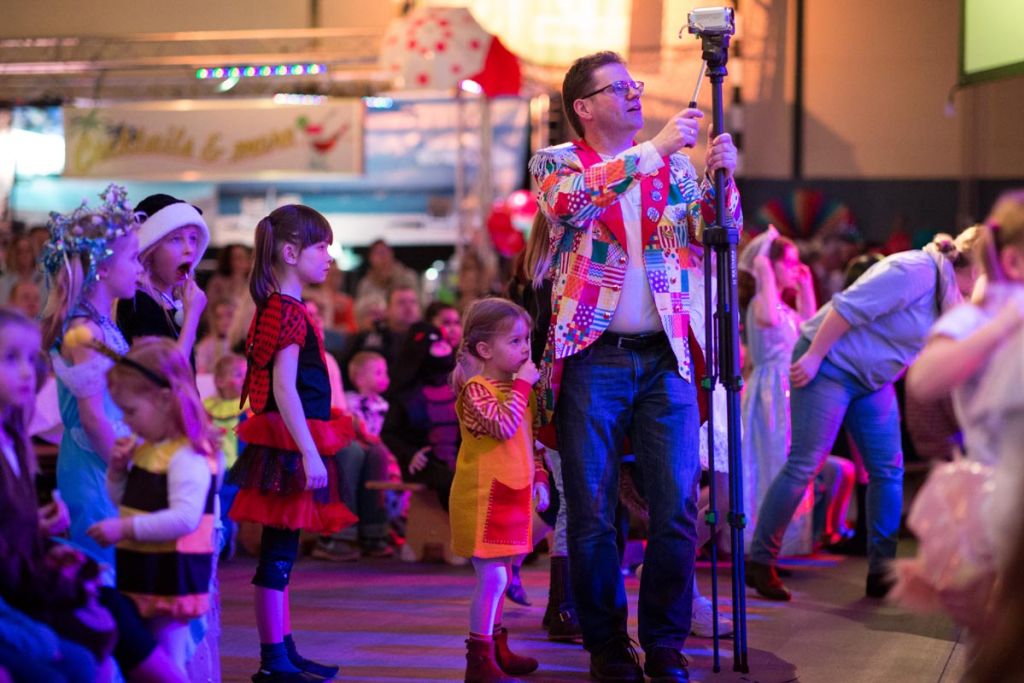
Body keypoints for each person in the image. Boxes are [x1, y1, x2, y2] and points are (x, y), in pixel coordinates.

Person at [529, 51, 740, 683]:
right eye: (618, 87)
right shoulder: (557, 163)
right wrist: (655, 150)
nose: (633, 93)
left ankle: (666, 643)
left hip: (665, 356)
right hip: (591, 356)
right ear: (584, 107)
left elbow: (714, 232)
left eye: (634, 84)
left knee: (677, 507)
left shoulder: (673, 167)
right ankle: (607, 646)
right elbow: (567, 205)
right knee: (593, 511)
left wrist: (723, 180)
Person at [746, 228, 981, 602]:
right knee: (806, 462)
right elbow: (847, 306)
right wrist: (814, 356)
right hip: (830, 363)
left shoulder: (953, 296)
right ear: (977, 267)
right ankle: (760, 559)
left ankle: (881, 571)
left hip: (872, 380)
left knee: (888, 469)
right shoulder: (915, 270)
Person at [225, 204, 356, 683]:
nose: (328, 256)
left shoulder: (280, 306)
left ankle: (283, 650)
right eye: (321, 246)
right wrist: (309, 451)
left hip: (285, 438)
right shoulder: (285, 310)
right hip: (287, 442)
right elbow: (284, 387)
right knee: (277, 555)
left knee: (282, 552)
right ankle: (272, 659)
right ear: (289, 252)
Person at [900, 191, 1024, 628]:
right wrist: (1005, 324)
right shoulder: (976, 319)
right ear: (1013, 261)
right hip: (1005, 508)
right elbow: (924, 380)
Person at [86, 338, 219, 675]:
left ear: (163, 400)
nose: (125, 421)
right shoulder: (150, 448)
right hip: (145, 570)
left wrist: (123, 529)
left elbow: (185, 519)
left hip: (171, 576)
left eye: (131, 411)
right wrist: (118, 473)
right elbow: (127, 502)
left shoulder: (187, 454)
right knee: (149, 663)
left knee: (165, 664)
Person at [0, 307, 113, 683]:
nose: (26, 372)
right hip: (11, 595)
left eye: (30, 360)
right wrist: (59, 580)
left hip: (20, 582)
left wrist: (41, 535)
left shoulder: (13, 439)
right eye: (10, 359)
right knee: (78, 660)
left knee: (111, 618)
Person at [40, 184, 144, 573]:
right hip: (96, 463)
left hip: (106, 456)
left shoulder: (100, 324)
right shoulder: (84, 331)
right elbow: (93, 418)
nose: (140, 268)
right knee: (104, 570)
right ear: (102, 267)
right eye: (133, 258)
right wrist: (127, 472)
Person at [449, 297, 549, 683]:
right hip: (483, 496)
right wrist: (523, 385)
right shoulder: (477, 389)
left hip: (512, 493)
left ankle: (496, 647)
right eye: (515, 341)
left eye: (527, 340)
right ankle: (479, 658)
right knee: (493, 579)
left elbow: (530, 441)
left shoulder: (519, 390)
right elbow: (503, 427)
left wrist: (540, 477)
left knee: (503, 574)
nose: (525, 349)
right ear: (485, 349)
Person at [506, 212, 582, 642]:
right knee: (569, 500)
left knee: (558, 502)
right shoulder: (557, 282)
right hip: (557, 396)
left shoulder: (528, 282)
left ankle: (518, 565)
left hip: (541, 395)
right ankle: (563, 606)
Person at [116, 194, 209, 362]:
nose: (189, 249)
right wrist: (192, 316)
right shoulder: (138, 302)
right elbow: (161, 371)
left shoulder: (175, 300)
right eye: (176, 239)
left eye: (193, 238)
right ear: (151, 249)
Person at [380, 321, 459, 510]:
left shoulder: (458, 386)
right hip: (425, 463)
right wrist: (410, 453)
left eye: (444, 342)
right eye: (436, 344)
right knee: (453, 482)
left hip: (459, 458)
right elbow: (389, 433)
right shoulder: (408, 394)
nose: (443, 346)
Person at [203, 352, 247, 560]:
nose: (244, 379)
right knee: (217, 503)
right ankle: (219, 538)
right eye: (238, 374)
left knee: (227, 503)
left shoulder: (248, 407)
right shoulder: (209, 407)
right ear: (220, 381)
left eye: (247, 375)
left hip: (237, 465)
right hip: (214, 465)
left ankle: (223, 541)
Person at [355, 238, 418, 303]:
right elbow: (361, 308)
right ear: (371, 258)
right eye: (378, 253)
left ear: (392, 254)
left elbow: (417, 304)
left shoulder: (407, 278)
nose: (383, 257)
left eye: (385, 252)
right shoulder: (365, 285)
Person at [0, 234, 44, 307]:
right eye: (20, 252)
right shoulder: (3, 282)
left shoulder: (44, 280)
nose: (25, 255)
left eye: (28, 251)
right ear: (13, 254)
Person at [194, 300, 236, 375]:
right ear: (213, 320)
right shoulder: (204, 346)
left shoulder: (241, 344)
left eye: (229, 315)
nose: (225, 321)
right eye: (219, 317)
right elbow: (201, 373)